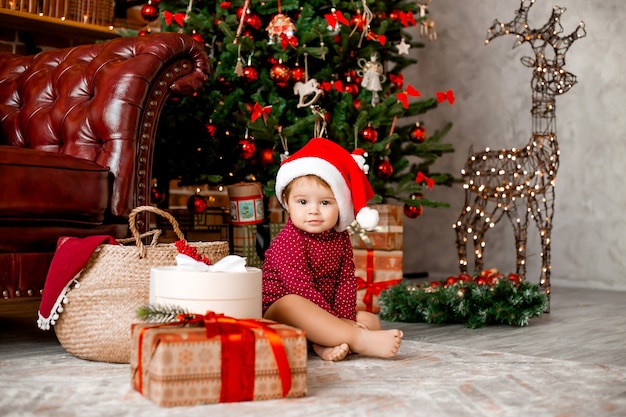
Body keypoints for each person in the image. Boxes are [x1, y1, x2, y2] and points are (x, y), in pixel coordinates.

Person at [262, 138, 403, 361]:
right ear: (287, 203)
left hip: (326, 311)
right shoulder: (288, 241)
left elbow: (346, 278)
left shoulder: (340, 237)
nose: (314, 211)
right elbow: (302, 289)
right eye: (302, 202)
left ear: (341, 205)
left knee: (370, 321)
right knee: (292, 303)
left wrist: (345, 317)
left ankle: (325, 342)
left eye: (325, 203)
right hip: (281, 312)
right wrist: (339, 322)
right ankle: (358, 340)